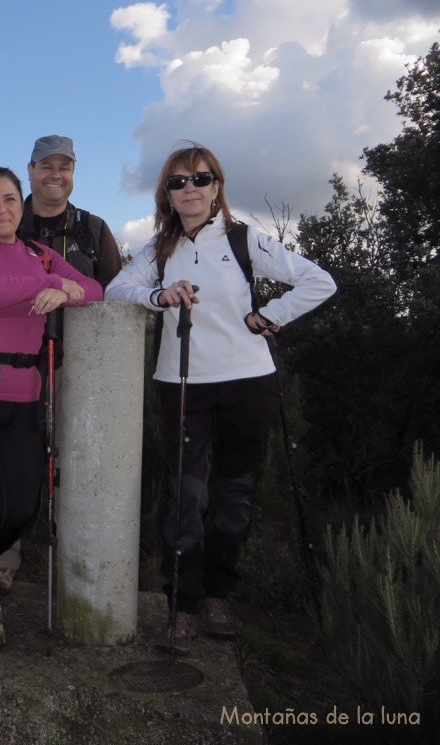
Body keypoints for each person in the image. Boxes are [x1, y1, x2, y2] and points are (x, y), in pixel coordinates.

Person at [105, 142, 336, 654]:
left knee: (232, 497)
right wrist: (157, 296)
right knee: (188, 497)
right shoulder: (156, 249)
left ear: (217, 187)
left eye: (200, 179)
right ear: (166, 193)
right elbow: (115, 290)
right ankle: (183, 607)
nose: (189, 189)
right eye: (177, 182)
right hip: (181, 385)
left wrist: (270, 314)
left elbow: (320, 281)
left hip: (249, 384)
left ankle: (219, 596)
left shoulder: (244, 239)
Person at [0, 166, 103, 648]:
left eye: (9, 199)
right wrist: (47, 285)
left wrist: (69, 288)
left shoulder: (39, 253)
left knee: (20, 508)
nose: (1, 209)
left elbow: (95, 290)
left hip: (25, 395)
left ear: (21, 202)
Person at [0, 135, 124, 593]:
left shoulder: (94, 230)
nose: (55, 174)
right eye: (45, 166)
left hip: (80, 368)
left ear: (73, 172)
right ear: (29, 171)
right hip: (15, 365)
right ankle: (2, 559)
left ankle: (76, 560)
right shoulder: (6, 221)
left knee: (77, 465)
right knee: (8, 463)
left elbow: (115, 296)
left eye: (63, 166)